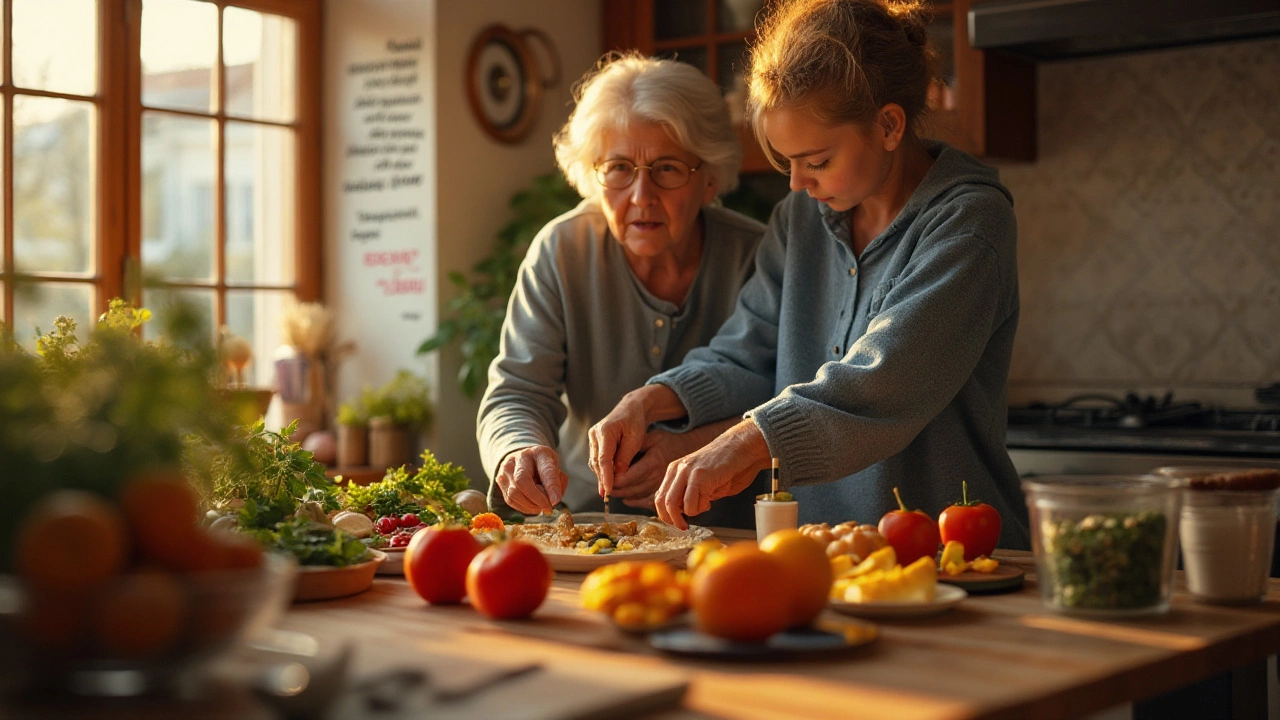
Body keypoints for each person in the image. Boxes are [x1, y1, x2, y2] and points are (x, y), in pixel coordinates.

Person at [589, 0, 1030, 549]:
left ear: (889, 125)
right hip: (822, 552)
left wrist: (748, 440)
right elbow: (748, 352)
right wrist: (649, 401)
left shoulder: (969, 221)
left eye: (816, 161)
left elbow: (883, 379)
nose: (797, 183)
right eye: (785, 161)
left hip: (955, 555)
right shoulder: (800, 218)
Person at [476, 53, 768, 525]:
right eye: (618, 168)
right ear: (591, 174)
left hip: (727, 532)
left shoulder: (756, 256)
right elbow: (517, 392)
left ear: (710, 176)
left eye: (667, 168)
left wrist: (692, 444)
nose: (640, 196)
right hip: (587, 525)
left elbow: (786, 397)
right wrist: (518, 449)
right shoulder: (561, 250)